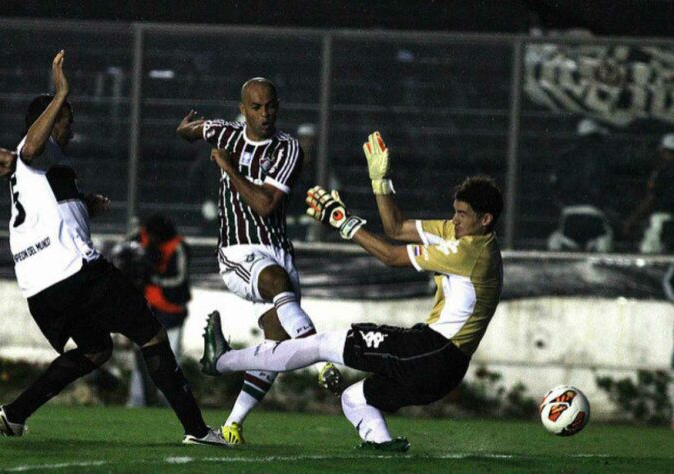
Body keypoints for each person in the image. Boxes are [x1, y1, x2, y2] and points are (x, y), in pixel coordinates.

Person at [200, 131, 505, 451]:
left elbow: (390, 256)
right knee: (354, 398)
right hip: (440, 365)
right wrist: (381, 181)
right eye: (455, 211)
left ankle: (222, 360)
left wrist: (344, 222)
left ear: (485, 220)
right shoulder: (456, 234)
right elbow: (396, 227)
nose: (454, 220)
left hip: (432, 352)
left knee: (321, 345)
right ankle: (384, 448)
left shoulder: (472, 253)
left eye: (462, 215)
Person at [0, 50, 225, 446]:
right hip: (76, 273)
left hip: (39, 288)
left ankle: (14, 413)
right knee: (150, 334)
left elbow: (27, 171)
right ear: (50, 121)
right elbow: (29, 148)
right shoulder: (35, 149)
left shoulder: (41, 169)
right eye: (68, 122)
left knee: (97, 349)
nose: (72, 131)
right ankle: (198, 431)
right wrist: (61, 92)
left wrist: (84, 202)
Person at [175, 77, 342, 445]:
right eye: (256, 107)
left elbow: (266, 204)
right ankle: (323, 360)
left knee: (277, 345)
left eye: (271, 106)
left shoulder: (288, 149)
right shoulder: (227, 133)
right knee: (277, 283)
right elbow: (194, 130)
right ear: (242, 110)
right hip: (238, 251)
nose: (265, 114)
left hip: (277, 250)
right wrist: (187, 129)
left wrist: (227, 168)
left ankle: (230, 425)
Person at [126, 215, 192, 407]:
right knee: (141, 358)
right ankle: (137, 400)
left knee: (171, 360)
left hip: (171, 312)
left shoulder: (178, 247)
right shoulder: (142, 239)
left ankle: (171, 403)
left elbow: (179, 279)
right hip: (147, 309)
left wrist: (154, 278)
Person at [547, 118, 614, 252]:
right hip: (595, 216)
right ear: (596, 137)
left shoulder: (564, 158)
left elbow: (554, 187)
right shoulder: (604, 158)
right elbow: (610, 187)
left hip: (570, 215)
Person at [623, 133, 674, 253]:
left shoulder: (662, 172)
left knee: (648, 256)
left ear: (665, 151)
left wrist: (631, 220)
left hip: (662, 221)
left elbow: (651, 198)